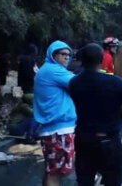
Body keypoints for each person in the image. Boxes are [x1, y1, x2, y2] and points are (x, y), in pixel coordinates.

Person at [68, 43, 122, 186]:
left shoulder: (74, 83)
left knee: (85, 180)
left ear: (82, 61)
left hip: (84, 140)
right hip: (109, 141)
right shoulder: (115, 82)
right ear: (101, 61)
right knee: (113, 181)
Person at [33, 41, 77, 186]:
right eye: (63, 54)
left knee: (51, 171)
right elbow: (79, 83)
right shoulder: (54, 70)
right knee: (56, 174)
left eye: (68, 55)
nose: (66, 58)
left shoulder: (47, 70)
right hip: (59, 131)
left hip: (52, 130)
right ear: (53, 55)